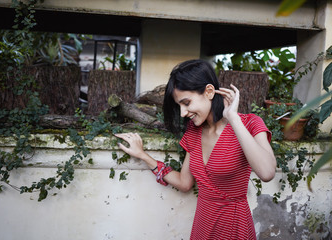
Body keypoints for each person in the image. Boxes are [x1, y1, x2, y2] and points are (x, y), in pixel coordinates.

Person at [115, 59, 276, 239]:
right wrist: (143, 156)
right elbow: (185, 183)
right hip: (203, 226)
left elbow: (267, 172)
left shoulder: (250, 123)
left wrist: (233, 118)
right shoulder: (194, 131)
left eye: (186, 103)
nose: (183, 113)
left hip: (234, 228)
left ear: (208, 91)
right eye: (179, 106)